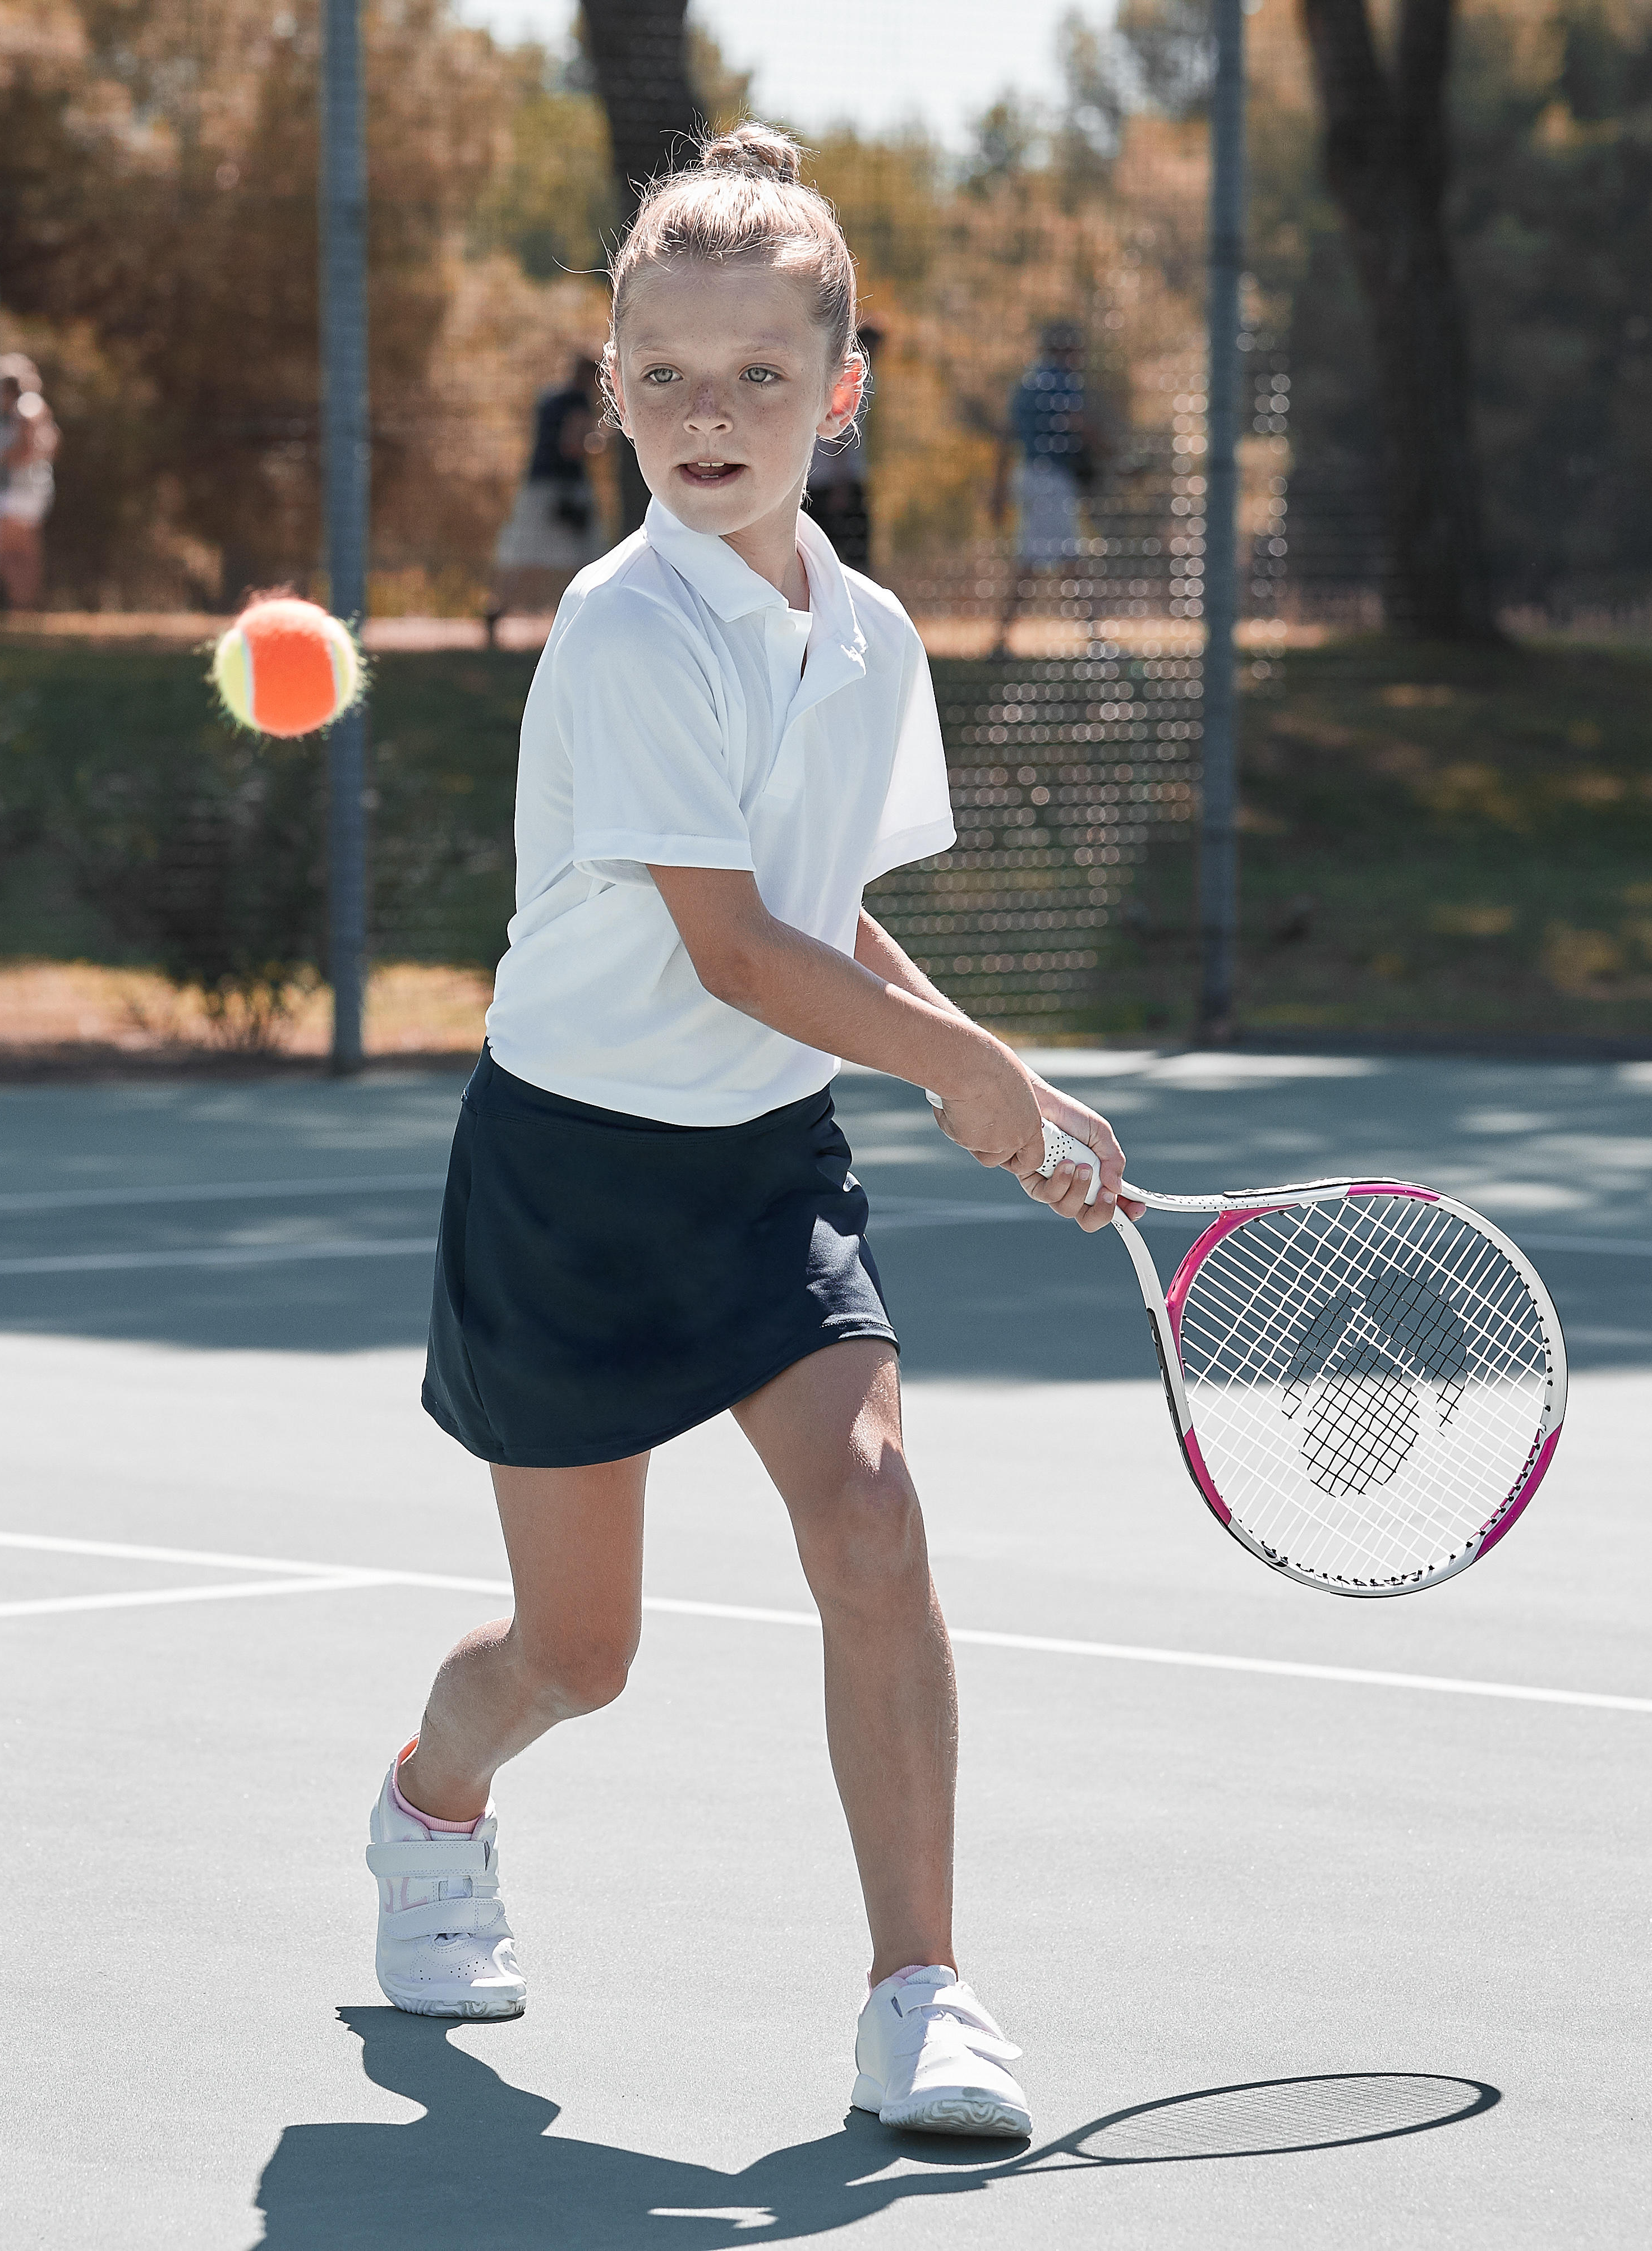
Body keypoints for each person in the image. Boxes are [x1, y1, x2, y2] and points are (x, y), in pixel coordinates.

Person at [368, 125, 1142, 2140]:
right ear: (608, 379)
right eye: (664, 376)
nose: (709, 418)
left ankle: (920, 1990)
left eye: (759, 377)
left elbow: (821, 910)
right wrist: (952, 1073)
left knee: (870, 1510)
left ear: (841, 389)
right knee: (579, 1647)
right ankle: (429, 1800)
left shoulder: (866, 637)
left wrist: (997, 1065)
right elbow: (720, 943)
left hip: (763, 1167)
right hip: (570, 1173)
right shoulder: (624, 628)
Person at [989, 319, 1097, 659]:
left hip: (1031, 476)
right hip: (1051, 479)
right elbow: (1078, 424)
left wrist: (1000, 488)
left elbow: (1007, 437)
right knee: (1051, 560)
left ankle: (1004, 640)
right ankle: (1094, 639)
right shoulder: (1061, 382)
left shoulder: (1027, 384)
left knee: (1051, 558)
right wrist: (1114, 455)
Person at [484, 353, 606, 646]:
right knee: (589, 555)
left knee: (521, 553)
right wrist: (598, 442)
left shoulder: (548, 398)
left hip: (537, 487)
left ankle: (495, 611)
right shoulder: (578, 402)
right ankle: (585, 619)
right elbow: (572, 446)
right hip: (567, 490)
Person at [802, 320, 883, 569]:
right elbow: (843, 433)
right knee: (850, 554)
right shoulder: (856, 379)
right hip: (836, 480)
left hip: (818, 478)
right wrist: (841, 482)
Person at [0, 351, 61, 613]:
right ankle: (24, 606)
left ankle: (20, 607)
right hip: (29, 492)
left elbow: (27, 448)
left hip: (17, 493)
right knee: (24, 552)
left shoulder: (25, 408)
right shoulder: (34, 407)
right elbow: (51, 445)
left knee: (10, 553)